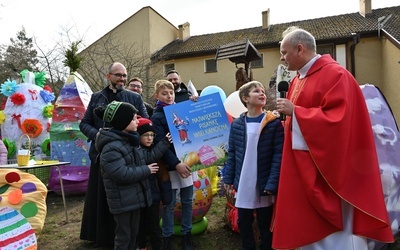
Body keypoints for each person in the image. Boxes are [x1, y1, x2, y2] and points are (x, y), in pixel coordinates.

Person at [273, 27, 393, 249]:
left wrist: (297, 113)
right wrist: (284, 122)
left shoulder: (336, 75)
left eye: (284, 52)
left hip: (331, 172)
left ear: (300, 49)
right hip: (303, 166)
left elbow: (340, 121)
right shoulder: (298, 79)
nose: (282, 58)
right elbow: (296, 118)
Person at [79, 62, 149, 247]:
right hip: (100, 155)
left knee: (126, 202)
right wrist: (98, 135)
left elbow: (144, 121)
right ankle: (103, 238)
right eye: (118, 75)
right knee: (103, 199)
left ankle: (129, 240)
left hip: (128, 156)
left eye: (125, 75)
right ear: (108, 76)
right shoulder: (97, 97)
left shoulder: (134, 97)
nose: (122, 79)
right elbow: (84, 124)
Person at [94, 101, 170, 250]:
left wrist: (165, 142)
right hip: (123, 201)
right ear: (123, 121)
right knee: (124, 237)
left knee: (132, 235)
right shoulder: (111, 147)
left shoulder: (127, 141)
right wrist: (146, 170)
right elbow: (121, 174)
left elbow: (145, 157)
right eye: (134, 118)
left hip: (133, 199)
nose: (137, 121)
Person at [223, 81, 283, 250]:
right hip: (244, 182)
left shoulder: (273, 122)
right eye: (256, 91)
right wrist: (228, 178)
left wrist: (272, 183)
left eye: (262, 91)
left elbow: (278, 155)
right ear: (245, 98)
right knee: (244, 221)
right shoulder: (237, 124)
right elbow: (232, 153)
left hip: (263, 182)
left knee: (265, 223)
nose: (262, 93)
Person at [151, 80, 194, 250]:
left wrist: (196, 102)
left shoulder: (182, 110)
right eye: (164, 93)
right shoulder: (157, 116)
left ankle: (187, 234)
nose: (169, 96)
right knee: (168, 204)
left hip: (189, 163)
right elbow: (161, 145)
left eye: (171, 93)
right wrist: (176, 164)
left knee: (187, 201)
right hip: (170, 168)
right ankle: (167, 237)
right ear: (157, 96)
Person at [136, 117, 172, 250]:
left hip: (153, 197)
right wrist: (164, 142)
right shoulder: (136, 151)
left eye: (152, 135)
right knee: (140, 225)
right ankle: (142, 246)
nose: (150, 138)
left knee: (154, 226)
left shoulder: (152, 151)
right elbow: (150, 157)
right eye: (145, 135)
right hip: (139, 197)